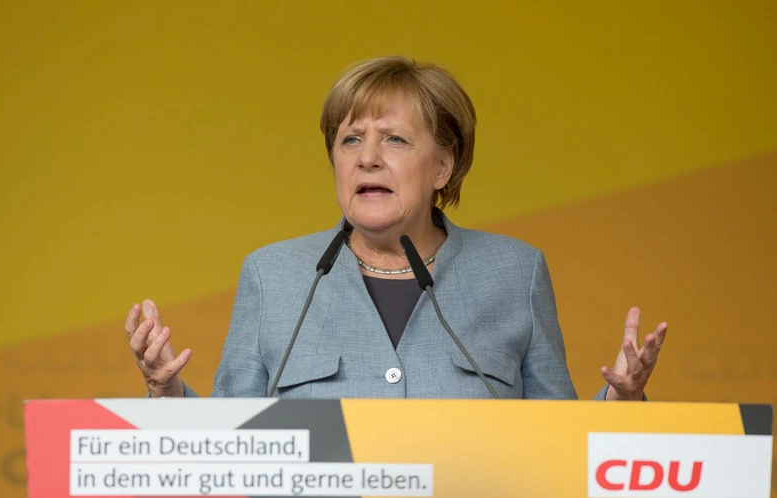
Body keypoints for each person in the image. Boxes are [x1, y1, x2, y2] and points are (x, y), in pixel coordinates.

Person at [124, 56, 667, 401]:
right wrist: (166, 391)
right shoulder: (273, 275)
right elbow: (228, 449)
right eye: (350, 139)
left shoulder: (514, 272)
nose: (368, 158)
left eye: (395, 139)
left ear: (443, 166)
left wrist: (622, 399)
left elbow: (559, 442)